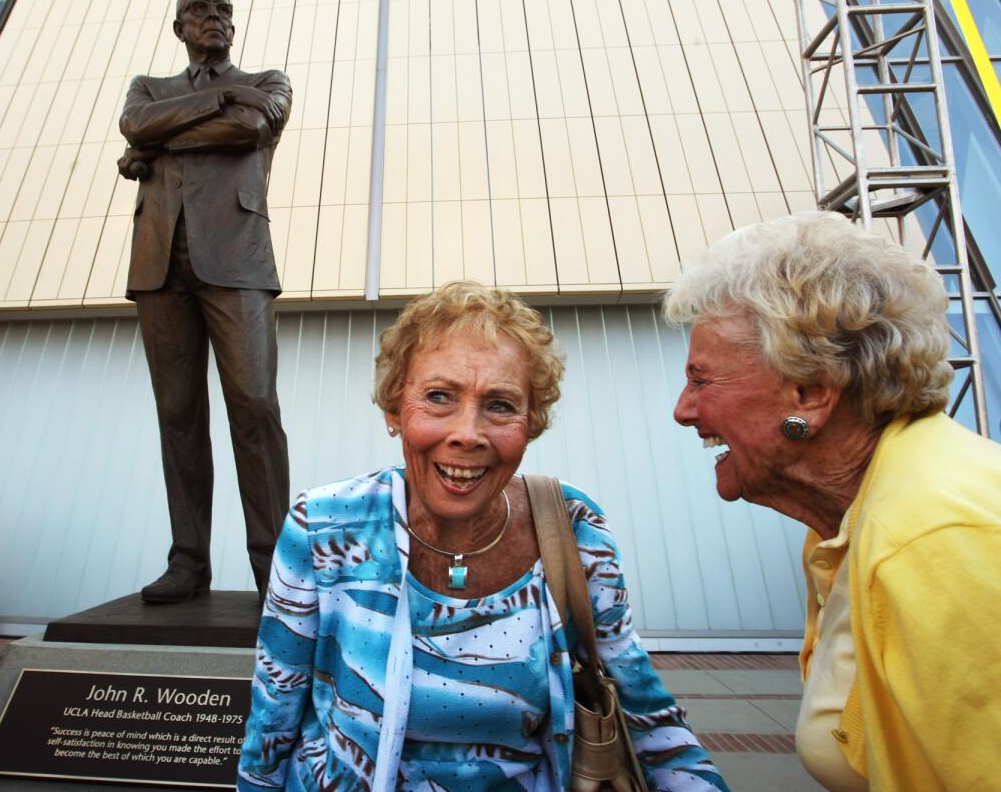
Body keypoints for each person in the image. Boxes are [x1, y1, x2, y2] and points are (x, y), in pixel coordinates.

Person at [238, 282, 726, 790]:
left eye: (500, 405)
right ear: (393, 408)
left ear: (530, 422)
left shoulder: (574, 527)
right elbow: (274, 714)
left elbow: (648, 717)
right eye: (439, 397)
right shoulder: (324, 525)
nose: (468, 433)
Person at [665, 211, 1001, 790]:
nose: (684, 410)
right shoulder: (848, 527)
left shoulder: (932, 542)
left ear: (812, 394)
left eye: (703, 380)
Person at [118, 0, 291, 602]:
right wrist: (209, 106)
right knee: (179, 417)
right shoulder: (148, 88)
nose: (212, 18)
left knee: (255, 406)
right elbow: (133, 121)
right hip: (160, 261)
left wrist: (152, 144)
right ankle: (189, 561)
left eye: (222, 11)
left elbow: (249, 128)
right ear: (179, 27)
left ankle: (277, 568)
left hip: (238, 258)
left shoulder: (269, 81)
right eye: (199, 10)